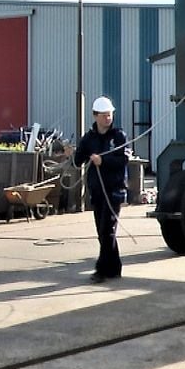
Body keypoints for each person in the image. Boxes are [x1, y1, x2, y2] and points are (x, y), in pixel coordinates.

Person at [74, 95, 130, 283]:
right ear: (95, 116)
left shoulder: (118, 136)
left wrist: (103, 160)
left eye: (110, 115)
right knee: (102, 230)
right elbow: (77, 160)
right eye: (104, 115)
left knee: (108, 230)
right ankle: (115, 267)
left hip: (114, 190)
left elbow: (124, 159)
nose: (108, 118)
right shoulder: (89, 139)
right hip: (97, 191)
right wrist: (72, 154)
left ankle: (102, 269)